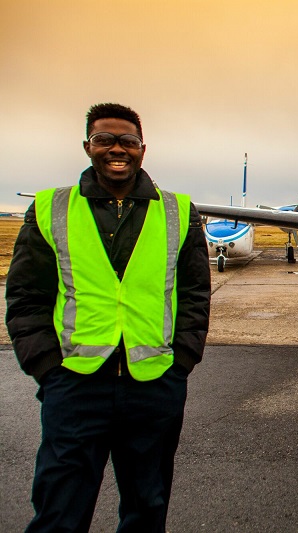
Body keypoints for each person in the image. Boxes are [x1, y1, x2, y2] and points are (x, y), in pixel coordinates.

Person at [6, 103, 211, 532]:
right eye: (104, 140)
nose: (117, 149)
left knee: (147, 508)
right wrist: (47, 368)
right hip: (76, 384)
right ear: (88, 146)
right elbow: (25, 295)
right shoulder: (51, 208)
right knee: (59, 511)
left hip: (154, 384)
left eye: (128, 141)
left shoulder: (178, 211)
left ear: (142, 149)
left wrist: (182, 361)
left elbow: (194, 295)